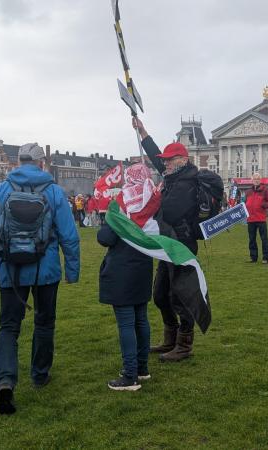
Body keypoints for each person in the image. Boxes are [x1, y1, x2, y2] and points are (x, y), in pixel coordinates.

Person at [0, 143, 80, 415]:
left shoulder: (1, 191)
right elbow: (69, 235)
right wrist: (72, 270)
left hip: (10, 269)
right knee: (44, 323)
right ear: (42, 164)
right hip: (45, 270)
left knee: (8, 327)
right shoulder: (54, 192)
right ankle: (40, 374)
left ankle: (5, 381)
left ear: (18, 163)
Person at [133, 117, 200, 362]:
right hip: (167, 245)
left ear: (181, 161)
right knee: (161, 294)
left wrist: (156, 195)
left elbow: (171, 212)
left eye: (169, 161)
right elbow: (154, 154)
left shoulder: (186, 182)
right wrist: (143, 132)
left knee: (180, 295)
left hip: (181, 246)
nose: (165, 165)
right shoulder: (174, 176)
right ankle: (170, 338)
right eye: (165, 162)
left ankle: (184, 343)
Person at [98, 163, 158, 391]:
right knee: (141, 320)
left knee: (126, 323)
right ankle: (142, 368)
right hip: (142, 267)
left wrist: (107, 219)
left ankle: (130, 374)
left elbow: (106, 237)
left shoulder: (124, 204)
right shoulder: (151, 202)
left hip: (122, 268)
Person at [244, 173, 268, 263]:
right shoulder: (248, 191)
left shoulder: (265, 190)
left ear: (260, 180)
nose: (256, 180)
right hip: (250, 219)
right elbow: (245, 203)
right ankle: (253, 257)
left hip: (261, 219)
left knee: (264, 239)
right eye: (254, 179)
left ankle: (266, 257)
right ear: (252, 180)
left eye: (258, 179)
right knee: (252, 239)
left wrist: (263, 205)